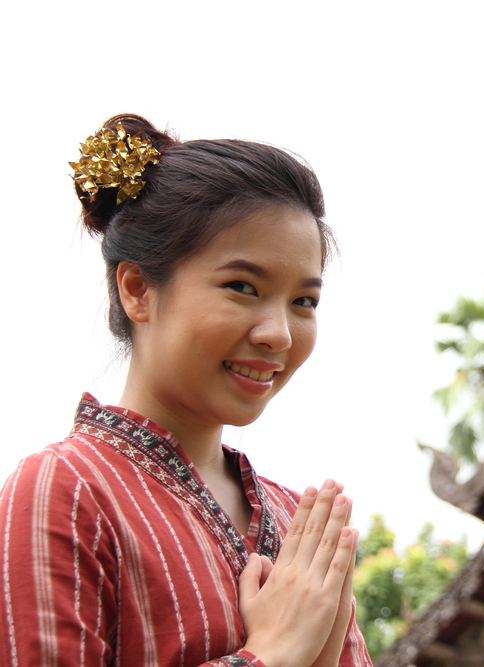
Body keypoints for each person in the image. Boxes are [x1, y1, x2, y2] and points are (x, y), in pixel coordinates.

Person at [0, 115, 373, 667]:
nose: (279, 333)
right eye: (242, 287)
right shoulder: (65, 491)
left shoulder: (297, 520)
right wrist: (269, 654)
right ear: (138, 290)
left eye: (304, 301)